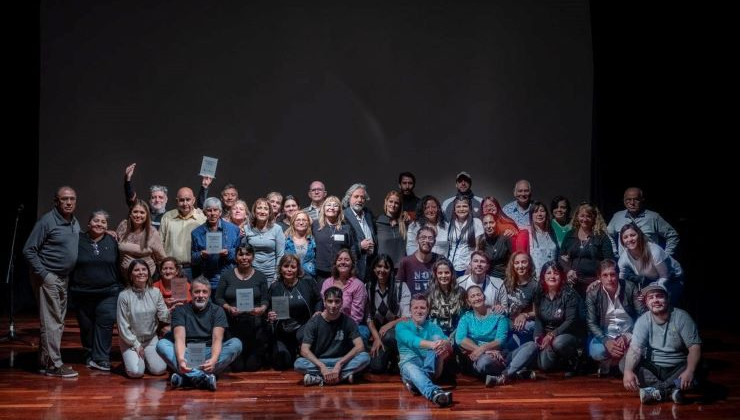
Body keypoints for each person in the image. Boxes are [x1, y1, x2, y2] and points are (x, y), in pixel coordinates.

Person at [23, 186, 80, 377]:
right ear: (56, 201)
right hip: (48, 276)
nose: (69, 202)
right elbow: (29, 250)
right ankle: (54, 365)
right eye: (64, 199)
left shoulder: (74, 222)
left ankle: (44, 361)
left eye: (72, 199)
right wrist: (45, 275)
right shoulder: (47, 221)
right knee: (52, 322)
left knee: (56, 322)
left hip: (63, 278)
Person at [156, 277, 243, 391]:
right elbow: (180, 339)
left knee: (236, 344)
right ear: (190, 293)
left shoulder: (217, 311)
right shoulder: (180, 310)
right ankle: (203, 378)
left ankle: (185, 379)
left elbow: (217, 339)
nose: (200, 295)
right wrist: (182, 360)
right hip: (187, 352)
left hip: (209, 352)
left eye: (204, 292)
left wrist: (213, 359)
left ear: (210, 293)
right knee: (161, 344)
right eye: (197, 291)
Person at [623, 283, 702, 405]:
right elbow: (635, 348)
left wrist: (690, 371)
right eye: (651, 297)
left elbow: (694, 347)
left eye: (659, 296)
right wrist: (628, 371)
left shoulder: (681, 317)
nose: (655, 300)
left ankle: (657, 392)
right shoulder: (643, 320)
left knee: (700, 366)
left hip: (677, 368)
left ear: (667, 298)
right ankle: (671, 391)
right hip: (654, 368)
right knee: (625, 364)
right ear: (646, 302)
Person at [69, 210, 121, 372]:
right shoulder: (77, 239)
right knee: (87, 326)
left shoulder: (113, 241)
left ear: (107, 226)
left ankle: (101, 358)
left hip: (108, 291)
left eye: (103, 222)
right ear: (89, 223)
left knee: (105, 323)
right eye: (96, 221)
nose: (99, 224)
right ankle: (90, 353)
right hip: (82, 293)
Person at [456, 284, 537, 386]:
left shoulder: (499, 316)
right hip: (482, 358)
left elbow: (500, 340)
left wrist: (484, 348)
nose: (477, 298)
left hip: (502, 356)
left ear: (484, 297)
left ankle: (505, 375)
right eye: (473, 296)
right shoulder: (466, 318)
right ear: (468, 301)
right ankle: (514, 372)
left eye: (479, 295)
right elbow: (460, 339)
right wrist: (483, 351)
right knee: (484, 363)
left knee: (531, 346)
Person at [294, 286, 371, 386]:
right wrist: (322, 366)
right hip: (320, 361)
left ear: (342, 302)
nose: (333, 305)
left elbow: (360, 346)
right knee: (298, 363)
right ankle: (342, 377)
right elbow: (304, 350)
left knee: (365, 357)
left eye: (337, 301)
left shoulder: (348, 321)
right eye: (330, 301)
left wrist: (339, 364)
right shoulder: (314, 322)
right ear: (324, 302)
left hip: (341, 361)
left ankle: (319, 379)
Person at [214, 245, 269, 371]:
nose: (244, 258)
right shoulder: (227, 276)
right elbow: (218, 298)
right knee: (237, 368)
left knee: (251, 367)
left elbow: (265, 299)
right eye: (241, 254)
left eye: (248, 254)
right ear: (236, 257)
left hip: (255, 326)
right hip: (233, 325)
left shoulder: (260, 276)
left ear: (253, 257)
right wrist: (228, 307)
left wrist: (262, 308)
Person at [586, 260, 644, 377]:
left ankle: (612, 365)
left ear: (618, 275)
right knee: (596, 352)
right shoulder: (593, 293)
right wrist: (606, 341)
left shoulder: (630, 287)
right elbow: (591, 322)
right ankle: (621, 361)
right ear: (599, 277)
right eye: (605, 275)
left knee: (640, 347)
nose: (609, 279)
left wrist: (628, 336)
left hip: (630, 334)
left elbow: (642, 315)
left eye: (612, 274)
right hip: (606, 335)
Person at [395, 294, 454, 407]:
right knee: (410, 368)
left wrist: (444, 345)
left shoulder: (434, 327)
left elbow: (449, 346)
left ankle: (417, 384)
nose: (419, 311)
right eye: (415, 308)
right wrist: (433, 345)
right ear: (410, 310)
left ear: (428, 310)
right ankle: (435, 393)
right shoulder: (401, 326)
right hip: (410, 363)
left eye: (422, 308)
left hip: (432, 367)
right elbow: (412, 341)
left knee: (438, 338)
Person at [267, 255, 322, 370]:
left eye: (293, 267)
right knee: (280, 364)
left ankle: (301, 350)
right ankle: (293, 351)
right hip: (283, 330)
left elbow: (319, 300)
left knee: (301, 335)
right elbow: (268, 307)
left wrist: (317, 311)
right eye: (286, 266)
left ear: (298, 269)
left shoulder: (308, 282)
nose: (289, 270)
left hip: (303, 327)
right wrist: (269, 315)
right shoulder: (275, 287)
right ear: (280, 268)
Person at [117, 259, 170, 378]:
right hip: (130, 340)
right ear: (131, 275)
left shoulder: (156, 292)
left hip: (150, 339)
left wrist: (170, 312)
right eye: (136, 270)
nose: (141, 272)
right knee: (136, 373)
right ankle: (134, 358)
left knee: (159, 370)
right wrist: (136, 345)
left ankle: (145, 358)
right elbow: (122, 326)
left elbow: (164, 317)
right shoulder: (124, 296)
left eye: (143, 269)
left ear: (148, 273)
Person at [534, 261, 583, 375]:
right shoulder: (539, 293)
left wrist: (552, 335)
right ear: (543, 276)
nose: (552, 276)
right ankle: (561, 361)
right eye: (548, 273)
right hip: (547, 334)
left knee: (558, 343)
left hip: (568, 334)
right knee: (543, 366)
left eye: (555, 273)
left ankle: (576, 360)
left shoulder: (569, 294)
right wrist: (538, 336)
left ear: (561, 276)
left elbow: (571, 321)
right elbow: (538, 318)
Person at [618, 223, 684, 305]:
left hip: (672, 279)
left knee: (662, 305)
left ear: (639, 235)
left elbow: (665, 277)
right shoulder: (624, 257)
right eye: (625, 237)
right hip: (653, 280)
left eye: (633, 235)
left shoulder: (654, 251)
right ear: (622, 241)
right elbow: (620, 279)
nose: (629, 239)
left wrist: (649, 291)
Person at [366, 254, 411, 373]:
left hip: (397, 332)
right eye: (378, 266)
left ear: (391, 270)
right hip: (379, 333)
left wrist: (389, 325)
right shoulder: (368, 287)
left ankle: (396, 358)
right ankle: (390, 359)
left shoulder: (401, 287)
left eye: (386, 267)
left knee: (389, 335)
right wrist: (376, 338)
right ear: (374, 268)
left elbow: (407, 317)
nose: (382, 270)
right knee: (376, 368)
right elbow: (369, 318)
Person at [559, 202, 614, 297]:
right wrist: (568, 270)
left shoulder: (601, 237)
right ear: (577, 217)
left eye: (588, 216)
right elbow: (561, 257)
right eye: (582, 216)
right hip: (573, 284)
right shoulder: (570, 235)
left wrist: (599, 280)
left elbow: (609, 262)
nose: (584, 219)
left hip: (594, 285)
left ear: (594, 218)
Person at [607, 187, 679, 257]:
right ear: (624, 201)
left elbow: (672, 235)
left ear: (642, 200)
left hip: (650, 264)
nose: (632, 203)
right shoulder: (617, 217)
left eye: (636, 199)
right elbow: (607, 234)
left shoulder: (653, 217)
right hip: (626, 265)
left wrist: (665, 256)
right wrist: (614, 253)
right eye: (628, 199)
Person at [191, 197, 241, 291]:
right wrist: (201, 254)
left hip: (229, 277)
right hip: (206, 279)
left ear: (220, 212)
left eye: (215, 210)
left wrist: (228, 253)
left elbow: (240, 254)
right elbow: (193, 258)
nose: (212, 213)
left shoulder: (233, 230)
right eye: (209, 210)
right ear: (204, 212)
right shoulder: (196, 233)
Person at [319, 249, 369, 341]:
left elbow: (356, 317)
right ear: (335, 263)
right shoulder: (327, 283)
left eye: (346, 259)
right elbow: (326, 309)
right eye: (340, 259)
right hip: (329, 323)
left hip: (350, 326)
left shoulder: (358, 285)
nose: (343, 262)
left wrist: (340, 330)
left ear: (352, 263)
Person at [160, 187, 206, 279]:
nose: (185, 203)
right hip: (171, 270)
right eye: (181, 200)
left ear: (193, 200)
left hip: (194, 269)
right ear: (177, 201)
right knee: (173, 294)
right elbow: (160, 243)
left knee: (193, 293)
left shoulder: (202, 219)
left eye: (188, 200)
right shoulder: (167, 217)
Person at [115, 198, 166, 276]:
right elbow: (114, 245)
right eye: (135, 212)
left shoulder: (152, 232)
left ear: (147, 215)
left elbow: (161, 258)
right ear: (130, 214)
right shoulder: (123, 226)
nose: (138, 215)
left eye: (142, 212)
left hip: (146, 279)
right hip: (125, 279)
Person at [311, 196, 356, 282]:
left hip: (341, 272)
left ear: (339, 210)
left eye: (335, 206)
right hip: (320, 272)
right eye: (328, 205)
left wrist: (352, 270)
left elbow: (352, 249)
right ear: (323, 208)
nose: (331, 208)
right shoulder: (315, 225)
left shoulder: (346, 228)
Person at [242, 197, 286, 284]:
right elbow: (244, 253)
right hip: (252, 274)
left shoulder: (277, 229)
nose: (262, 211)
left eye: (266, 209)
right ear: (254, 211)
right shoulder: (247, 228)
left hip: (271, 275)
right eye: (259, 208)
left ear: (269, 212)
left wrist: (276, 276)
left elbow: (280, 255)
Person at [342, 183, 376, 280]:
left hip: (370, 266)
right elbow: (341, 246)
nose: (359, 200)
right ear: (349, 198)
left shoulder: (368, 215)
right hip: (354, 268)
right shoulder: (343, 217)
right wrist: (359, 246)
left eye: (362, 197)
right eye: (356, 196)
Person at [426, 259, 465, 338]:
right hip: (434, 335)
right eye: (440, 273)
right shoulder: (429, 294)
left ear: (452, 274)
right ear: (435, 275)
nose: (443, 276)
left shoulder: (461, 292)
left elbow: (464, 318)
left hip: (457, 335)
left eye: (447, 272)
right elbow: (426, 319)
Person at [446, 195, 484, 276]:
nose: (461, 209)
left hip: (467, 266)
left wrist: (471, 266)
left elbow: (478, 248)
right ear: (454, 209)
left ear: (469, 208)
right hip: (451, 266)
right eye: (458, 207)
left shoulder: (476, 222)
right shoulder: (450, 224)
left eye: (464, 206)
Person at [397, 226, 441, 294]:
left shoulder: (440, 261)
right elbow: (399, 288)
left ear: (434, 242)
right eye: (423, 237)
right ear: (417, 240)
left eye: (430, 238)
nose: (426, 241)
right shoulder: (406, 262)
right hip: (414, 303)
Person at [123, 163, 168, 230]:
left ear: (166, 199)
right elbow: (131, 199)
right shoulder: (142, 213)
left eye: (160, 197)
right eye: (154, 197)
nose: (157, 200)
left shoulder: (170, 217)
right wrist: (127, 180)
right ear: (149, 199)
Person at [374, 191, 406, 271]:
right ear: (386, 202)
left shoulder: (404, 223)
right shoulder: (377, 222)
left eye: (396, 203)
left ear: (400, 205)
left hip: (401, 269)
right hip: (383, 268)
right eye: (391, 201)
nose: (393, 205)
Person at [476, 213, 512, 279]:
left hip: (503, 276)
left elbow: (511, 259)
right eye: (485, 223)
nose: (488, 226)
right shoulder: (480, 239)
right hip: (486, 276)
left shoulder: (505, 238)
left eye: (491, 222)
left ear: (496, 223)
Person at [528, 201, 559, 276]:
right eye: (535, 212)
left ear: (546, 214)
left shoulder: (551, 232)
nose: (539, 214)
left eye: (542, 211)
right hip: (536, 278)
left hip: (552, 277)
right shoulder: (527, 233)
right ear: (531, 215)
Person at [283, 210, 317, 279]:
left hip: (309, 278)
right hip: (289, 278)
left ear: (308, 223)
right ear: (293, 222)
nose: (301, 223)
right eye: (298, 220)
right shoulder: (285, 240)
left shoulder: (313, 241)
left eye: (304, 220)